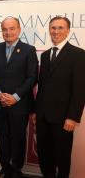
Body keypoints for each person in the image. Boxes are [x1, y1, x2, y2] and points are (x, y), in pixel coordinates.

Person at [34, 16, 85, 178]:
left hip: (63, 119)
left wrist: (72, 117)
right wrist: (36, 111)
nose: (56, 31)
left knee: (62, 157)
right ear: (49, 30)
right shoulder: (45, 55)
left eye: (60, 28)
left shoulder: (78, 55)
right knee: (44, 156)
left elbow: (80, 89)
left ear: (68, 31)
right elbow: (41, 87)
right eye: (53, 28)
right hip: (43, 117)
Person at [0, 17, 38, 178]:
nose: (8, 32)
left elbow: (32, 78)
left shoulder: (29, 50)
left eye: (12, 28)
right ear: (1, 31)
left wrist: (15, 97)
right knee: (3, 137)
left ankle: (16, 170)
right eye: (5, 29)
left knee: (18, 138)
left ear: (18, 29)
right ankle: (4, 168)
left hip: (20, 103)